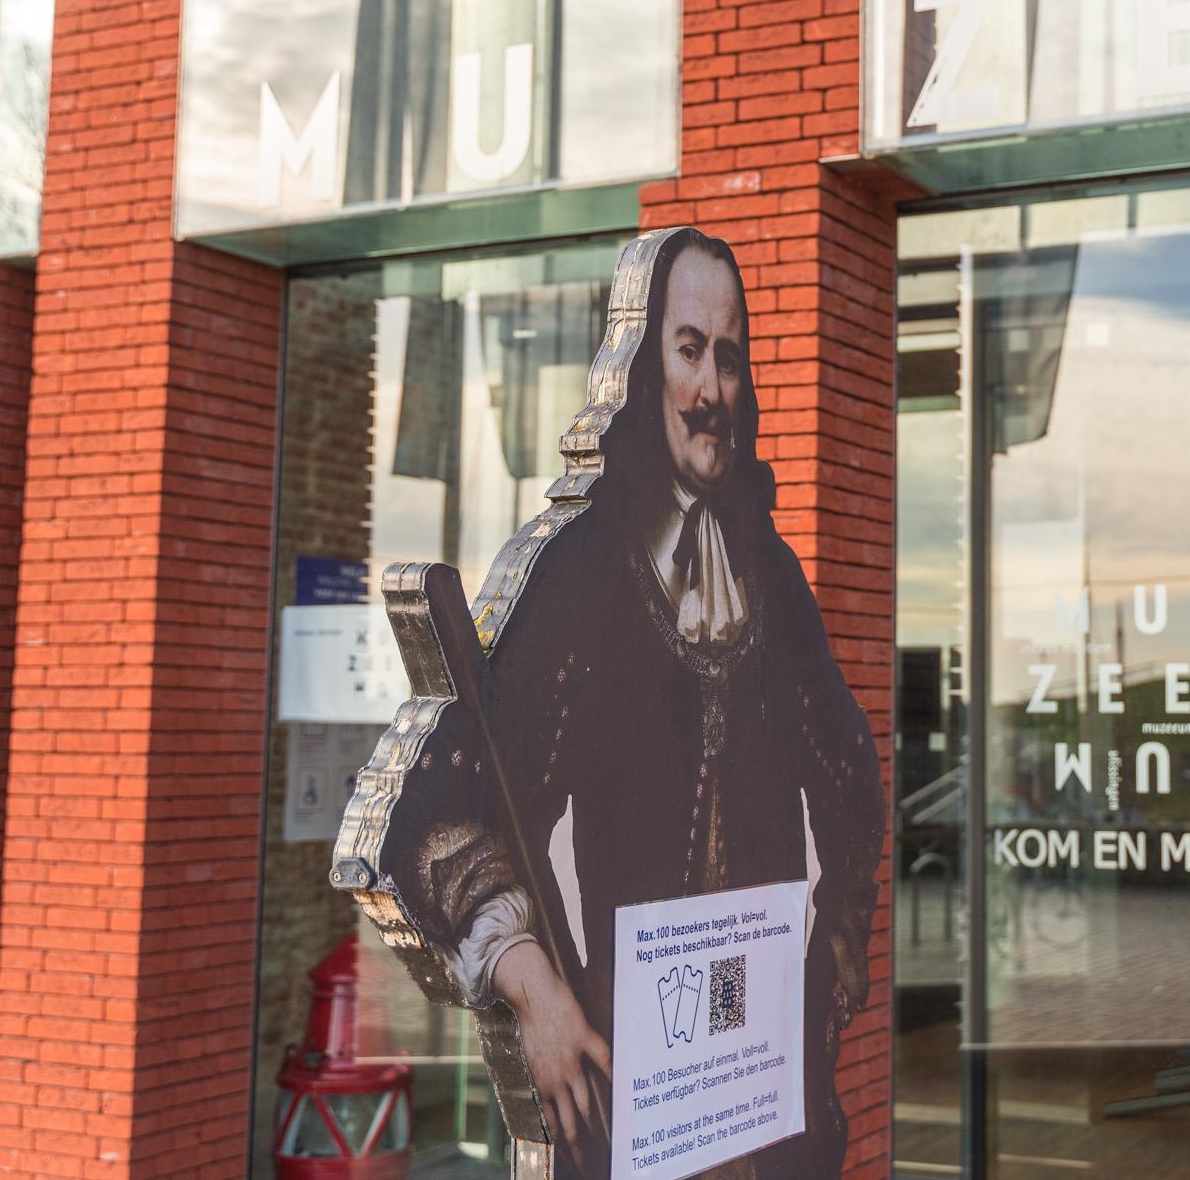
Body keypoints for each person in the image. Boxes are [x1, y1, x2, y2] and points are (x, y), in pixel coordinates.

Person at [379, 228, 886, 1179]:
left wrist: (836, 938)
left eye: (729, 358)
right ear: (639, 363)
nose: (710, 390)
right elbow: (443, 814)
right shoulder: (578, 575)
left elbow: (850, 774)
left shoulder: (773, 577)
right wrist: (534, 990)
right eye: (689, 350)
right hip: (633, 1084)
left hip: (764, 1074)